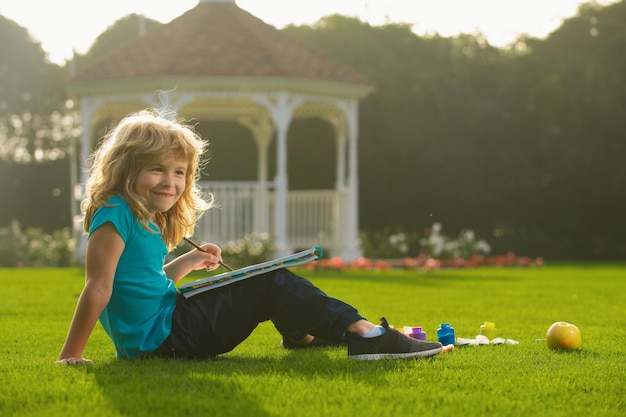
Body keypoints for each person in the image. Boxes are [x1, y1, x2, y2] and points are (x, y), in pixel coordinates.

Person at [56, 109, 443, 364]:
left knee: (259, 276)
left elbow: (141, 284)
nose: (171, 182)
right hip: (163, 339)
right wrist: (71, 355)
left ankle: (302, 334)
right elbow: (99, 288)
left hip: (166, 327)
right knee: (267, 281)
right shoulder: (114, 215)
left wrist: (189, 261)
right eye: (157, 169)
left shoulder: (140, 217)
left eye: (179, 172)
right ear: (126, 167)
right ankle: (366, 334)